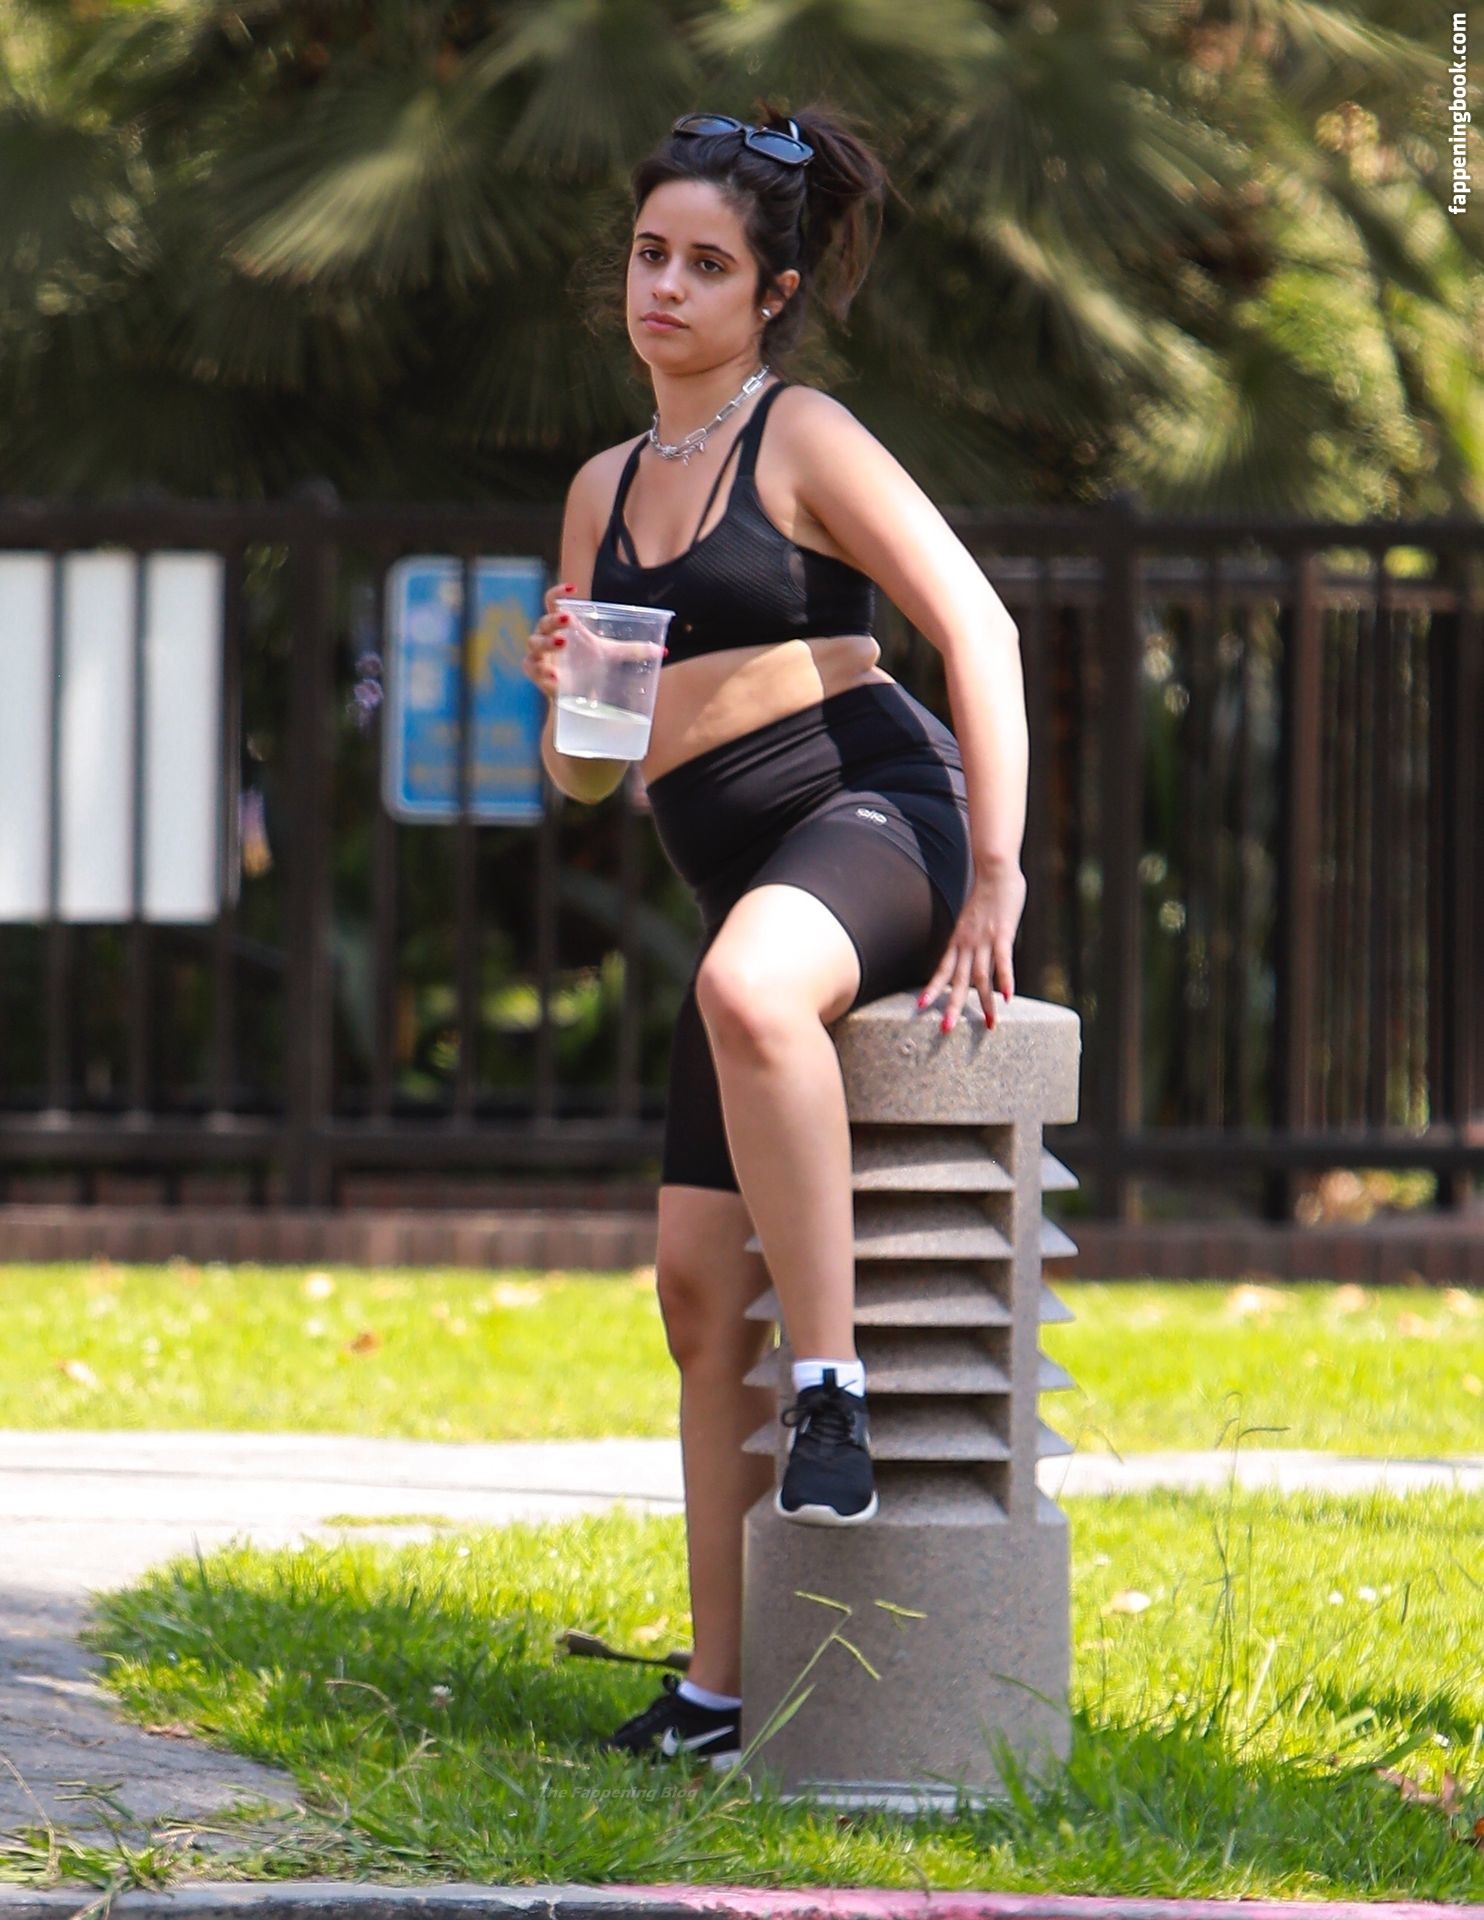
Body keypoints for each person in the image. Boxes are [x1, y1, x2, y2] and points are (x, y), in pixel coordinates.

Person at [523, 104, 1028, 1770]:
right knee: (688, 1290)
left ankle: (834, 1389)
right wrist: (564, 698)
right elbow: (588, 779)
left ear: (773, 294)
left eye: (706, 265)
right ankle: (719, 1693)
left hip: (874, 814)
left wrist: (997, 874)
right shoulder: (603, 489)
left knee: (749, 987)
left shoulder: (800, 437)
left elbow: (978, 624)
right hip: (737, 871)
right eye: (649, 254)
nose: (665, 286)